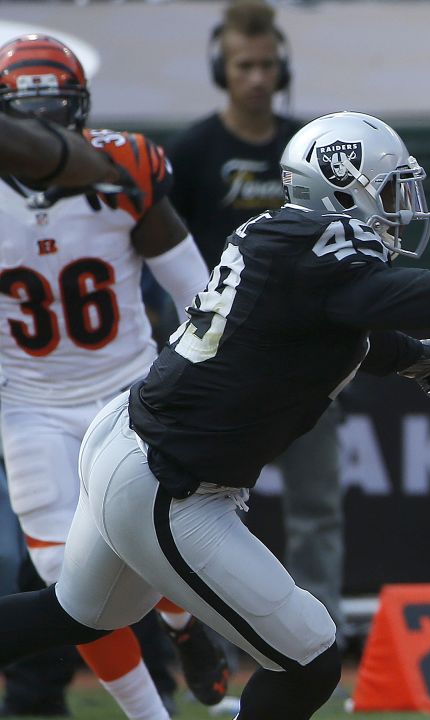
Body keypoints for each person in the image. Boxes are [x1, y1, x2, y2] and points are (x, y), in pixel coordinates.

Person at [0, 109, 430, 720]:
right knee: (311, 659)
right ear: (341, 183)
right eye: (389, 191)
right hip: (169, 485)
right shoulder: (320, 250)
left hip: (130, 443)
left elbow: (317, 332)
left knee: (74, 614)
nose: (402, 209)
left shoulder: (287, 241)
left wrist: (405, 355)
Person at [0, 34, 234, 716]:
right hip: (29, 403)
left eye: (58, 112)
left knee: (145, 541)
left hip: (127, 388)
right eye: (27, 115)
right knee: (61, 575)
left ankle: (184, 626)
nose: (44, 132)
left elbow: (199, 290)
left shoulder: (122, 170)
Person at [164, 0, 350, 646]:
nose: (257, 78)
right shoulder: (192, 152)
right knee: (201, 508)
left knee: (317, 506)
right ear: (222, 67)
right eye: (244, 65)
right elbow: (162, 251)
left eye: (268, 65)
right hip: (221, 364)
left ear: (283, 66)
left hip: (309, 357)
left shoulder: (307, 147)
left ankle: (319, 635)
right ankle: (209, 643)